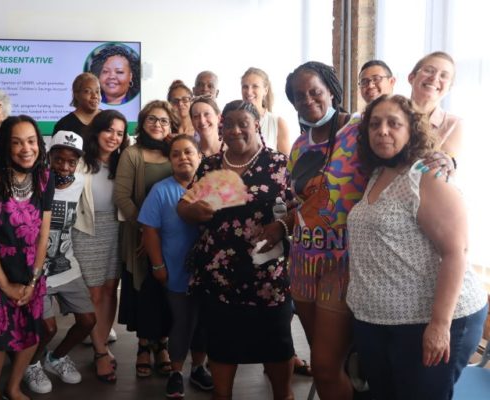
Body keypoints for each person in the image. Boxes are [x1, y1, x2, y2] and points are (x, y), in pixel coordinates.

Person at [347, 94, 488, 399]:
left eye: (393, 123)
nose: (382, 130)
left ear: (412, 130)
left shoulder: (426, 176)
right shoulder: (378, 174)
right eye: (374, 124)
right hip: (380, 319)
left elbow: (456, 252)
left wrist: (439, 326)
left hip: (429, 319)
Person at [178, 100, 295, 400]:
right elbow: (184, 205)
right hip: (219, 276)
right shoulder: (210, 165)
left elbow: (301, 208)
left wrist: (281, 227)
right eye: (228, 123)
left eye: (242, 122)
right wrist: (193, 211)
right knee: (222, 343)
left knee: (277, 343)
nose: (234, 129)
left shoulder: (279, 165)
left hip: (267, 275)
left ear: (257, 123)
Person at [283, 61, 365, 400]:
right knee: (327, 362)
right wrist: (277, 225)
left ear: (331, 90)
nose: (308, 100)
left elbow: (401, 149)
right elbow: (294, 204)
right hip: (302, 263)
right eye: (299, 96)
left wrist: (444, 160)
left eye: (315, 91)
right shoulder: (300, 145)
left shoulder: (357, 130)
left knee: (325, 366)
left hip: (342, 263)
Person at [0, 115, 54, 400]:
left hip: (30, 271)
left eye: (31, 141)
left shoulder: (45, 178)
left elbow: (43, 233)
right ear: (5, 146)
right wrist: (6, 285)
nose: (26, 148)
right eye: (17, 142)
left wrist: (34, 279)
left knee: (31, 332)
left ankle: (12, 387)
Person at [138, 135, 213, 398]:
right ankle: (176, 372)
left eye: (189, 152)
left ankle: (199, 368)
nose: (183, 158)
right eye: (177, 154)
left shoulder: (212, 188)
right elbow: (149, 230)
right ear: (170, 160)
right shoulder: (161, 190)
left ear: (200, 156)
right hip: (175, 271)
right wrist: (158, 265)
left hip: (210, 273)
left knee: (204, 323)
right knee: (182, 322)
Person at [22, 131, 96, 394]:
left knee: (88, 321)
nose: (65, 166)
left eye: (71, 161)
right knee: (47, 327)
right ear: (48, 157)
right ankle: (31, 363)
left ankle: (56, 358)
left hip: (66, 264)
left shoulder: (81, 182)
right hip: (37, 270)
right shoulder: (34, 183)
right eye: (59, 159)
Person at [114, 100, 175, 378]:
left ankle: (162, 344)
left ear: (171, 125)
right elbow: (122, 196)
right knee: (144, 291)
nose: (157, 125)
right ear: (142, 122)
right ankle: (142, 346)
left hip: (172, 237)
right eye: (152, 119)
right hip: (140, 235)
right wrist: (145, 229)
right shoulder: (132, 153)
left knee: (166, 292)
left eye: (163, 120)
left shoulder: (176, 152)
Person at [72, 110, 130, 383]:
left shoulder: (124, 162)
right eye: (109, 130)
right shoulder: (79, 162)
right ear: (96, 131)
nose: (114, 137)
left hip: (117, 229)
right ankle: (99, 352)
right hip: (86, 230)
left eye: (120, 133)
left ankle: (102, 342)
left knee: (110, 289)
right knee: (94, 293)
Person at [408, 51, 463, 158]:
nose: (434, 78)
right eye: (429, 71)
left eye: (444, 76)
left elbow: (443, 170)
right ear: (411, 77)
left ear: (449, 88)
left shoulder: (453, 124)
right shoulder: (391, 112)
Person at [241, 67, 291, 155]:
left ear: (265, 90)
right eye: (245, 87)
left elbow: (287, 164)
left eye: (255, 86)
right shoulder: (231, 120)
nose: (249, 92)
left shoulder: (277, 123)